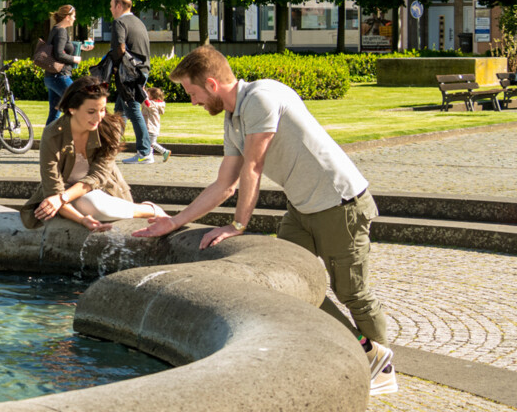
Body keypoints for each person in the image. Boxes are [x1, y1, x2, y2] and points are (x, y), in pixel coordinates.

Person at [134, 45, 397, 396]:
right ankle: (363, 351)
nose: (192, 101)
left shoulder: (260, 98)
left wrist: (237, 226)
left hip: (340, 203)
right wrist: (174, 222)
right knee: (288, 284)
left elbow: (252, 168)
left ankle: (384, 369)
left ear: (211, 84)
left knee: (353, 294)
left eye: (191, 92)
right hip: (302, 208)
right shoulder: (233, 117)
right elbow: (223, 185)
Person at [22, 78, 164, 232]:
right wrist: (82, 220)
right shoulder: (52, 134)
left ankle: (149, 209)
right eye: (91, 112)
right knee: (87, 204)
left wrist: (62, 198)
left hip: (102, 191)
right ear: (72, 109)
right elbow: (52, 191)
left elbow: (98, 176)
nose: (98, 117)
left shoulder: (110, 128)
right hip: (65, 196)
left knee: (94, 203)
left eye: (102, 109)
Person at [107, 0, 156, 164]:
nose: (111, 10)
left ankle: (144, 151)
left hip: (127, 73)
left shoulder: (119, 22)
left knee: (132, 109)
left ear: (119, 6)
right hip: (141, 71)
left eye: (112, 6)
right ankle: (110, 148)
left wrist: (114, 65)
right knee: (120, 112)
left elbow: (119, 47)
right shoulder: (139, 22)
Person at [42, 5, 85, 124]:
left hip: (51, 77)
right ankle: (77, 134)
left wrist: (82, 47)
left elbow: (63, 48)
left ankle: (48, 141)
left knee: (54, 114)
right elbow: (59, 54)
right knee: (80, 101)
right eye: (74, 16)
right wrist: (74, 59)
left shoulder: (55, 29)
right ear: (67, 17)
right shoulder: (61, 31)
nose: (75, 19)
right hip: (60, 77)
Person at [142, 86, 173, 160]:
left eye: (148, 94)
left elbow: (147, 103)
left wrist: (142, 93)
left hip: (151, 128)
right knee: (150, 144)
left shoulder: (153, 104)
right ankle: (150, 156)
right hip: (152, 127)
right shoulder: (157, 104)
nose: (146, 95)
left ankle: (164, 151)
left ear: (153, 96)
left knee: (150, 144)